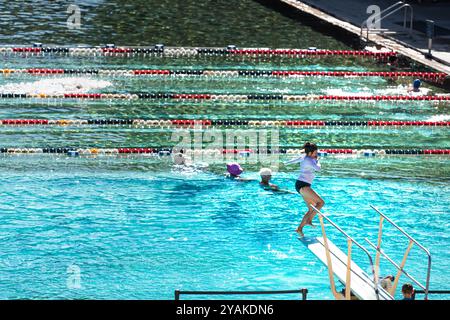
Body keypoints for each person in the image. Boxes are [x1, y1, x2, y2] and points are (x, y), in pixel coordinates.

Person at [284, 142, 324, 237]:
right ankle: (309, 220)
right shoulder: (310, 160)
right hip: (303, 185)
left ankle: (299, 228)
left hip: (302, 185)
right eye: (315, 152)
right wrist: (317, 160)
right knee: (321, 203)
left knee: (311, 208)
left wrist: (286, 163)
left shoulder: (305, 157)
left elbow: (295, 160)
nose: (316, 154)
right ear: (310, 152)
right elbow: (318, 169)